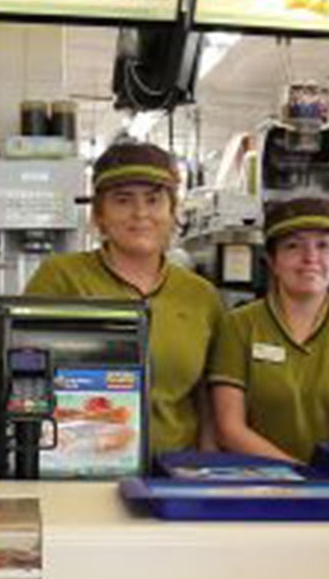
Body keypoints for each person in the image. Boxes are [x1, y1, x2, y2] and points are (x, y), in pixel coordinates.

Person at [25, 140, 223, 457]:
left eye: (154, 200)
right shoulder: (61, 278)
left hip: (173, 469)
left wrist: (206, 466)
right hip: (77, 463)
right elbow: (22, 371)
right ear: (99, 215)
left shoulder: (201, 296)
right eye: (122, 200)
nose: (140, 213)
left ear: (173, 211)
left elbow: (208, 395)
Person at [207, 198, 329, 462]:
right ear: (272, 260)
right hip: (255, 486)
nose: (310, 258)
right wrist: (300, 475)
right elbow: (229, 430)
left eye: (323, 246)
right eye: (293, 246)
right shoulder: (238, 326)